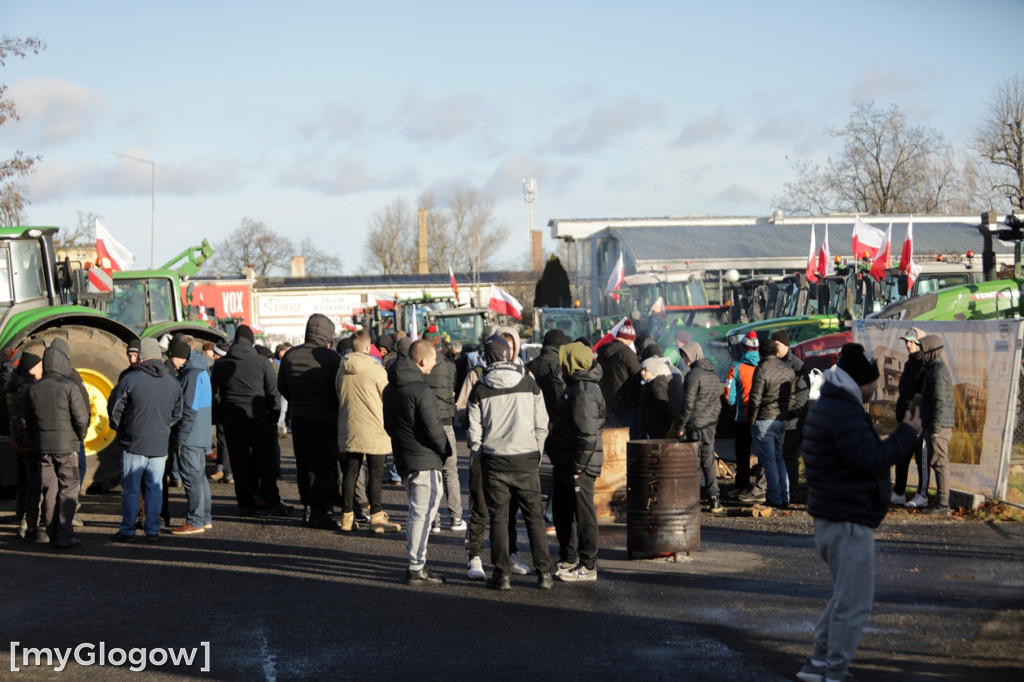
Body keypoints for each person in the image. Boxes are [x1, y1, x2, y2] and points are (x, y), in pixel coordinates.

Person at [798, 343, 922, 682]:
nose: (876, 388)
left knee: (844, 597)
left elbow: (856, 456)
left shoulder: (831, 405)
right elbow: (871, 460)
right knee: (854, 603)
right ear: (861, 381)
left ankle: (819, 663)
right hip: (848, 521)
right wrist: (907, 433)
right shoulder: (845, 412)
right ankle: (834, 672)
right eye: (874, 381)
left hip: (833, 517)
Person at [467, 336, 553, 590]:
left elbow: (474, 433)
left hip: (494, 460)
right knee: (534, 517)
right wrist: (537, 452)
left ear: (486, 357)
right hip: (526, 458)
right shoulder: (529, 383)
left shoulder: (479, 388)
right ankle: (544, 573)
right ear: (508, 354)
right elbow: (542, 423)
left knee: (499, 519)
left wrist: (480, 453)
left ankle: (502, 574)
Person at [382, 339, 452, 586]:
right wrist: (445, 450)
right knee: (422, 514)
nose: (434, 365)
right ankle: (416, 567)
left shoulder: (390, 388)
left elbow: (388, 426)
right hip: (425, 459)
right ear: (423, 361)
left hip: (404, 457)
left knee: (418, 512)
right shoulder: (421, 390)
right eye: (433, 360)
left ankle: (417, 563)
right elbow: (434, 430)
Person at [108, 338, 184, 543]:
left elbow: (114, 409)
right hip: (160, 444)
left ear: (141, 357)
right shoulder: (173, 382)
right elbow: (178, 413)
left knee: (131, 490)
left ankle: (128, 529)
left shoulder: (130, 379)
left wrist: (122, 429)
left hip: (133, 443)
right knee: (155, 488)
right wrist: (163, 427)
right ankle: (152, 529)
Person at [211, 326, 288, 518]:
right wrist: (273, 418)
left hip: (233, 421)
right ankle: (272, 502)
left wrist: (223, 416)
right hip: (259, 420)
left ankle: (245, 504)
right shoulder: (262, 362)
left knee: (239, 464)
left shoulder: (221, 365)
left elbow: (216, 395)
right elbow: (273, 393)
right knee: (265, 464)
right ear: (252, 342)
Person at [548, 341, 605, 582]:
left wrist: (578, 467)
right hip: (567, 461)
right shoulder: (576, 386)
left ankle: (588, 565)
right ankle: (568, 558)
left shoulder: (584, 391)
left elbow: (588, 435)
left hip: (578, 465)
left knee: (583, 515)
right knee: (563, 512)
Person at [278, 313, 341, 530]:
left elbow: (282, 386)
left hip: (298, 417)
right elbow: (339, 389)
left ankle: (306, 505)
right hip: (324, 419)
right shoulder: (331, 358)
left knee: (303, 464)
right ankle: (317, 512)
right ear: (327, 334)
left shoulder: (290, 355)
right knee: (319, 466)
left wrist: (296, 401)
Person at [23, 344, 89, 548]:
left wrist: (38, 439)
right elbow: (81, 418)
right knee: (68, 489)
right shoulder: (69, 387)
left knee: (49, 489)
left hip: (43, 449)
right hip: (67, 448)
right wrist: (79, 438)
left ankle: (52, 532)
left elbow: (27, 421)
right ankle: (64, 534)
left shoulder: (33, 388)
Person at [336, 330, 401, 534]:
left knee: (350, 472)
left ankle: (347, 517)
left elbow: (338, 394)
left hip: (349, 426)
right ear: (367, 347)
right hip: (374, 428)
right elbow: (387, 397)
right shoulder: (376, 369)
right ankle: (377, 518)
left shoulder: (341, 369)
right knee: (375, 474)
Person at [168, 339, 213, 535]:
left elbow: (188, 410)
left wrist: (181, 437)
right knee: (200, 478)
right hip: (201, 434)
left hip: (190, 437)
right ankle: (205, 518)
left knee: (192, 479)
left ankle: (195, 521)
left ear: (179, 357)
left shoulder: (189, 376)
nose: (171, 363)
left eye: (171, 358)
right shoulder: (201, 371)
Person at [747, 338, 795, 509]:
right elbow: (792, 398)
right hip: (781, 420)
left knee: (769, 461)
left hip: (764, 420)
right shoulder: (788, 369)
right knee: (779, 458)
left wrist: (751, 420)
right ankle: (784, 497)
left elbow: (755, 399)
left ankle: (774, 498)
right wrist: (784, 414)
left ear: (761, 352)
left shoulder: (761, 369)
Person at [912, 334, 955, 515]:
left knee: (939, 463)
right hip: (934, 425)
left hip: (939, 427)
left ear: (931, 350)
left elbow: (939, 402)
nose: (921, 353)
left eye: (923, 349)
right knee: (937, 462)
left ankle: (943, 505)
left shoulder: (937, 372)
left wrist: (935, 430)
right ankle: (940, 502)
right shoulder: (933, 369)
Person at [678, 341, 723, 512]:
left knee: (692, 462)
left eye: (686, 355)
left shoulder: (693, 375)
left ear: (694, 354)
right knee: (708, 461)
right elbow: (718, 403)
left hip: (695, 426)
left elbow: (688, 405)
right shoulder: (713, 374)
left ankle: (691, 499)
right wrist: (713, 419)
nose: (684, 359)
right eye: (683, 356)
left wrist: (681, 425)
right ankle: (714, 499)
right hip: (709, 425)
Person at [424, 341, 464, 533]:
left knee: (431, 472)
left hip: (427, 421)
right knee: (451, 471)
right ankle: (456, 517)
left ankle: (434, 520)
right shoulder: (450, 365)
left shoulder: (421, 364)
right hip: (447, 421)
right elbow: (453, 387)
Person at [5, 350, 43, 541]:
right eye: (39, 365)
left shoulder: (10, 386)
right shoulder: (30, 389)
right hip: (30, 443)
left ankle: (20, 516)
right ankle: (29, 525)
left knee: (22, 482)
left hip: (16, 440)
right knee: (34, 485)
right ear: (31, 368)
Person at [771, 330, 810, 504]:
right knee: (776, 457)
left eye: (777, 344)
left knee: (790, 457)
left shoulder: (797, 365)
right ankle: (780, 489)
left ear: (785, 345)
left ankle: (791, 491)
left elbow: (802, 394)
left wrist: (789, 413)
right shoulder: (773, 363)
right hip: (776, 418)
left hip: (791, 422)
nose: (774, 348)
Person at [725, 331, 762, 501]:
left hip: (742, 417)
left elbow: (728, 395)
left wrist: (737, 409)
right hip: (761, 417)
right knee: (763, 454)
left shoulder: (737, 367)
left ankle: (741, 486)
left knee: (742, 454)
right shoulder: (763, 366)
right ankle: (761, 487)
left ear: (743, 347)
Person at [893, 328, 927, 507]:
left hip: (917, 419)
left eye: (912, 341)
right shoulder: (909, 363)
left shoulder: (924, 365)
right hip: (905, 417)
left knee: (921, 459)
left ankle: (922, 495)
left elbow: (921, 394)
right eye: (906, 341)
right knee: (902, 456)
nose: (908, 344)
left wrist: (913, 412)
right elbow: (903, 390)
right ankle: (899, 492)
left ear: (921, 343)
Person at [597, 319, 641, 430]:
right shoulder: (627, 353)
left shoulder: (602, 352)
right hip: (625, 402)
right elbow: (638, 375)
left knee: (611, 434)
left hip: (606, 401)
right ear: (629, 339)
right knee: (629, 435)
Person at [208, 340, 233, 484]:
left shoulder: (216, 368)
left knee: (223, 441)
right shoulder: (234, 366)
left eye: (216, 353)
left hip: (222, 409)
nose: (213, 356)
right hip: (233, 408)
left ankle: (226, 471)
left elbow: (215, 391)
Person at [637, 356, 672, 439]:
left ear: (652, 370)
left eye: (645, 370)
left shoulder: (657, 386)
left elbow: (664, 407)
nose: (642, 372)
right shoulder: (647, 384)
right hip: (649, 425)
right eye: (641, 369)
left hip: (655, 426)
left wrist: (666, 425)